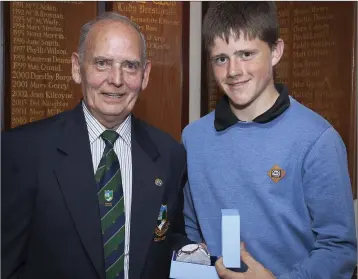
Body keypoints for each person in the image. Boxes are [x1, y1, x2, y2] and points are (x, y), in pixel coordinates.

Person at [2, 12, 191, 279]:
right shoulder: (22, 152)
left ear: (145, 74)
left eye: (130, 66)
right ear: (77, 68)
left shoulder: (170, 156)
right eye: (102, 63)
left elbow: (171, 246)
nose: (116, 79)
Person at [182, 2, 357, 278]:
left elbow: (338, 248)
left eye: (246, 54)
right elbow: (191, 231)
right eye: (221, 58)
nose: (233, 71)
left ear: (275, 51)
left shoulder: (317, 139)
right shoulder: (194, 139)